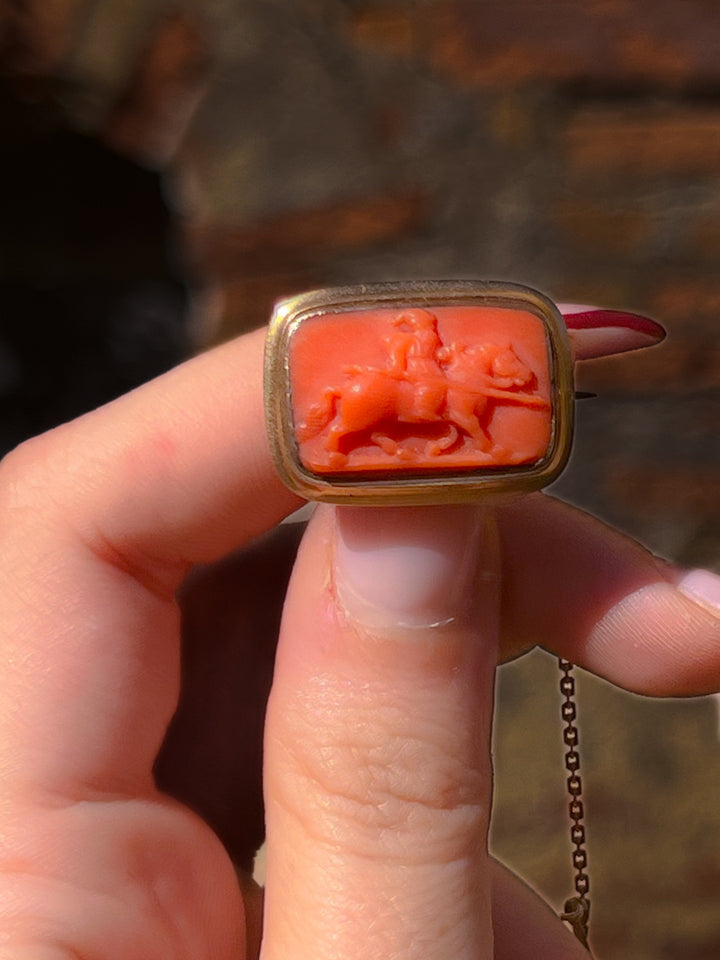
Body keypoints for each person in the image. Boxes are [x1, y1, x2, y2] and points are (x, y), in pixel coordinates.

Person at [0, 308, 718, 960]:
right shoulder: (412, 350)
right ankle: (421, 443)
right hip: (409, 394)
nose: (422, 334)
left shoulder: (430, 344)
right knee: (431, 404)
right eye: (418, 332)